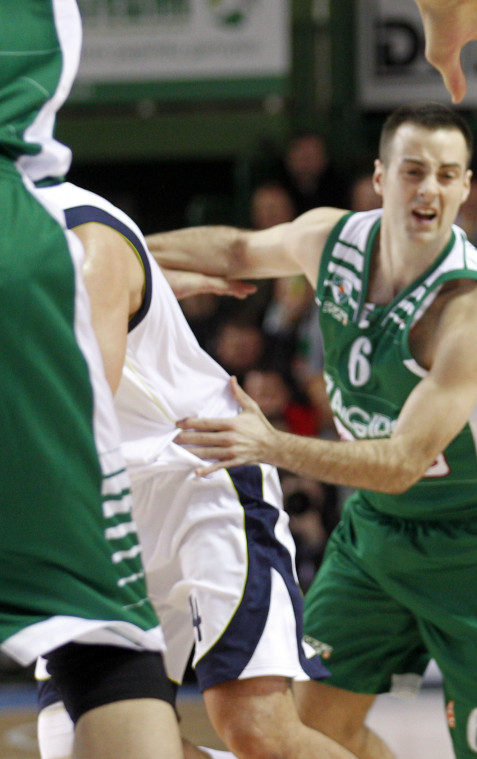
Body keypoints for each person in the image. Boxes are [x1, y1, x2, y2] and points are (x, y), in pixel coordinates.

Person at [149, 102, 477, 759]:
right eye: (414, 171)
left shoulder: (471, 308)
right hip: (378, 532)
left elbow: (405, 460)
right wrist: (116, 254)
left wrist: (270, 443)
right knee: (319, 732)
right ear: (381, 178)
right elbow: (238, 248)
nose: (429, 189)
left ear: (467, 187)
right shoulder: (331, 241)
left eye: (447, 174)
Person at [32, 180, 360, 759]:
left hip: (198, 474)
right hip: (105, 508)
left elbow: (80, 422)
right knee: (80, 745)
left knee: (259, 730)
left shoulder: (82, 237)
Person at [0, 4, 184, 757]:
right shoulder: (83, 237)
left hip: (191, 472)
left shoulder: (100, 236)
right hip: (18, 257)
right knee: (102, 644)